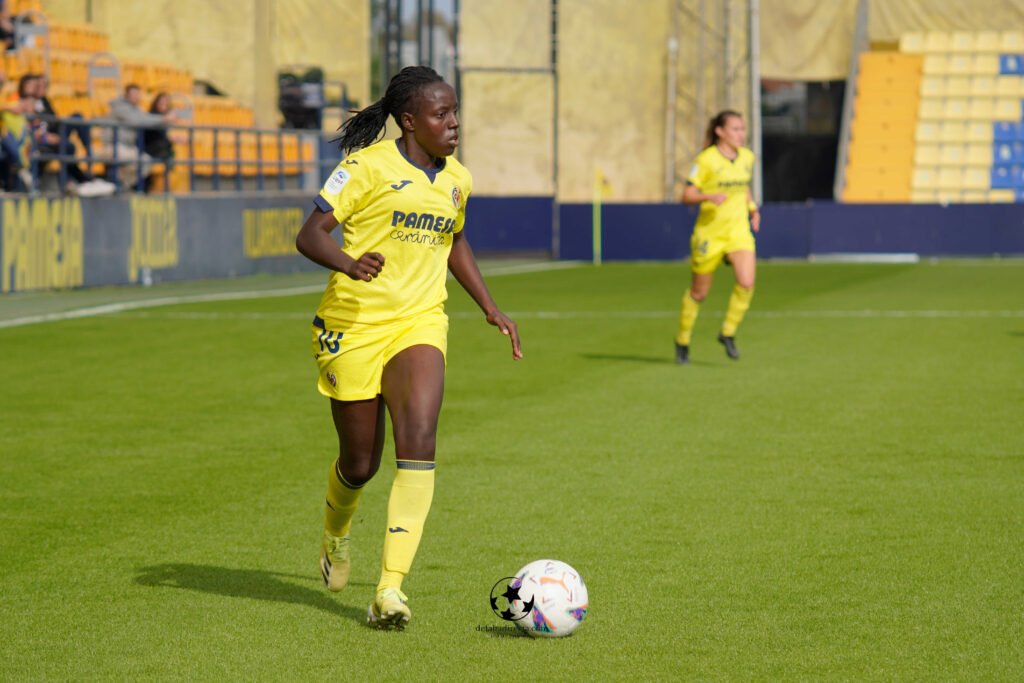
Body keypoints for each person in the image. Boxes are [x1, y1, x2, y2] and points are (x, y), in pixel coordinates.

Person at [294, 65, 521, 630]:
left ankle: (389, 591)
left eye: (455, 112)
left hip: (420, 322)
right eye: (442, 114)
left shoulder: (457, 180)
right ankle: (336, 533)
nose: (454, 123)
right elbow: (308, 235)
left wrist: (489, 306)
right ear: (409, 121)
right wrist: (350, 263)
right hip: (354, 324)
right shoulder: (364, 168)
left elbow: (455, 241)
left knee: (419, 440)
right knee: (360, 462)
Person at [675, 110, 761, 364]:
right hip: (709, 234)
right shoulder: (706, 160)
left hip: (737, 232)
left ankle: (728, 332)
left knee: (746, 282)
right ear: (719, 132)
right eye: (735, 129)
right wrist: (707, 196)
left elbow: (743, 185)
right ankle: (682, 340)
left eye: (742, 129)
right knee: (699, 293)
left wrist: (753, 208)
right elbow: (686, 195)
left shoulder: (747, 157)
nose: (740, 134)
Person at [108, 84, 175, 189]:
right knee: (143, 161)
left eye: (138, 94)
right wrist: (163, 119)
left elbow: (145, 117)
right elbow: (139, 121)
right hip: (114, 145)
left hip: (128, 147)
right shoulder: (120, 108)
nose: (136, 97)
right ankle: (119, 184)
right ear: (126, 95)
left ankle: (121, 184)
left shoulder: (135, 109)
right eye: (134, 94)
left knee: (145, 161)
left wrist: (163, 119)